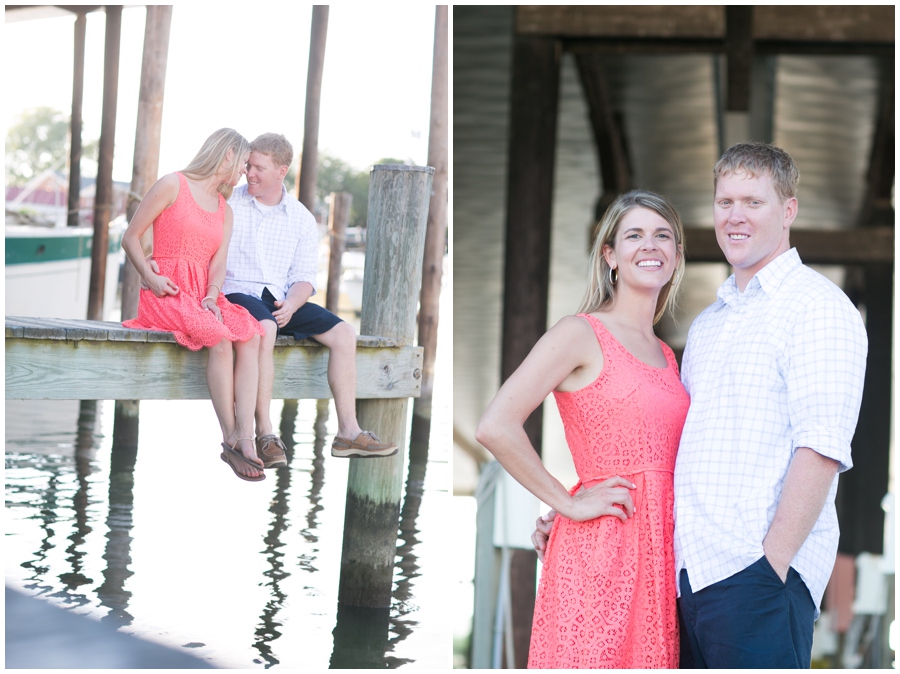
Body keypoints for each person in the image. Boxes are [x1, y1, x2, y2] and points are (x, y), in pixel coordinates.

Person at [532, 143, 868, 668]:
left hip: (755, 578)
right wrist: (573, 503)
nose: (735, 216)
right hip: (683, 579)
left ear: (788, 210)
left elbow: (822, 448)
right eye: (724, 201)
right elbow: (665, 447)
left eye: (753, 202)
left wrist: (770, 565)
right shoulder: (708, 327)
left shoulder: (818, 307)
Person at [476, 190, 690, 668]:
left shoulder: (668, 355)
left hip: (659, 557)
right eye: (634, 235)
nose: (650, 245)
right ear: (610, 255)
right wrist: (565, 501)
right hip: (601, 548)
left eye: (663, 236)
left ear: (676, 257)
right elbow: (496, 425)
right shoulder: (580, 333)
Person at [221, 133, 398, 464]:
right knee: (265, 328)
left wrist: (292, 302)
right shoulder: (230, 202)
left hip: (279, 299)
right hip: (237, 293)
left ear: (281, 170)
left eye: (259, 167)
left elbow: (304, 277)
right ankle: (266, 432)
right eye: (249, 165)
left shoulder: (301, 218)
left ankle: (348, 432)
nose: (250, 173)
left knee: (345, 333)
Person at [122, 128, 267, 482]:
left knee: (251, 333)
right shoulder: (173, 184)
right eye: (246, 163)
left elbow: (218, 263)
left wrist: (211, 294)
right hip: (166, 291)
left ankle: (246, 435)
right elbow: (130, 238)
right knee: (218, 337)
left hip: (203, 294)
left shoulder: (224, 209)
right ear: (229, 154)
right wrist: (151, 277)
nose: (247, 172)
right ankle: (230, 437)